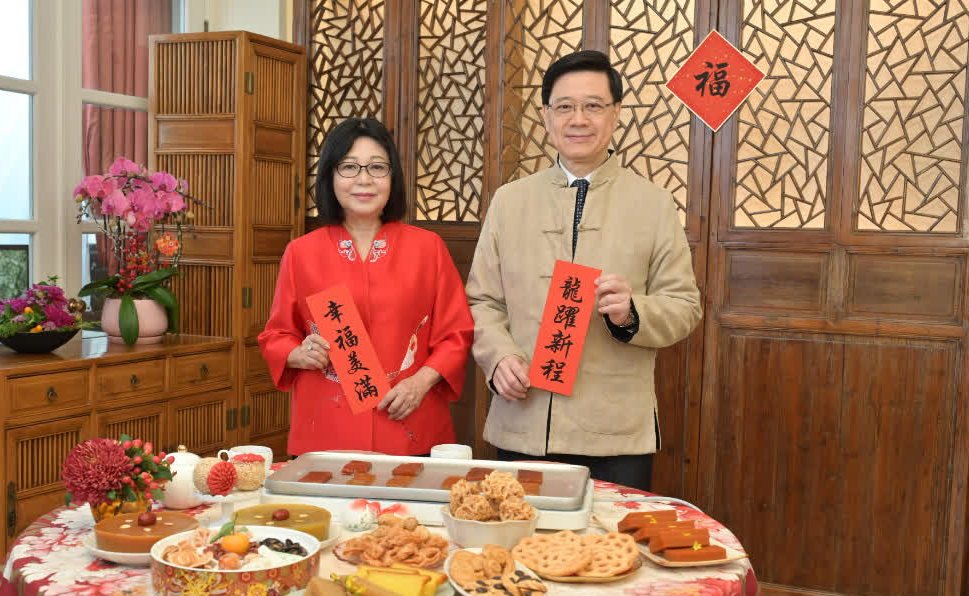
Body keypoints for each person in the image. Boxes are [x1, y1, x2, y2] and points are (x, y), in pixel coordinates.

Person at [465, 50, 702, 490]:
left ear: (615, 113)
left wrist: (632, 312)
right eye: (565, 106)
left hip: (615, 433)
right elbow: (482, 300)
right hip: (524, 418)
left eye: (593, 106)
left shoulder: (653, 204)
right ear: (546, 116)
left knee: (612, 536)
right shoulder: (509, 201)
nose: (578, 119)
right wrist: (498, 358)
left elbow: (685, 306)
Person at [259, 118, 474, 456]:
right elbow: (277, 335)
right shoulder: (301, 253)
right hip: (327, 430)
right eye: (349, 167)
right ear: (330, 176)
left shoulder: (428, 248)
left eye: (377, 167)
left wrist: (420, 383)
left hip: (409, 423)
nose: (364, 179)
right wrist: (298, 353)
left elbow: (456, 335)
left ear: (393, 177)